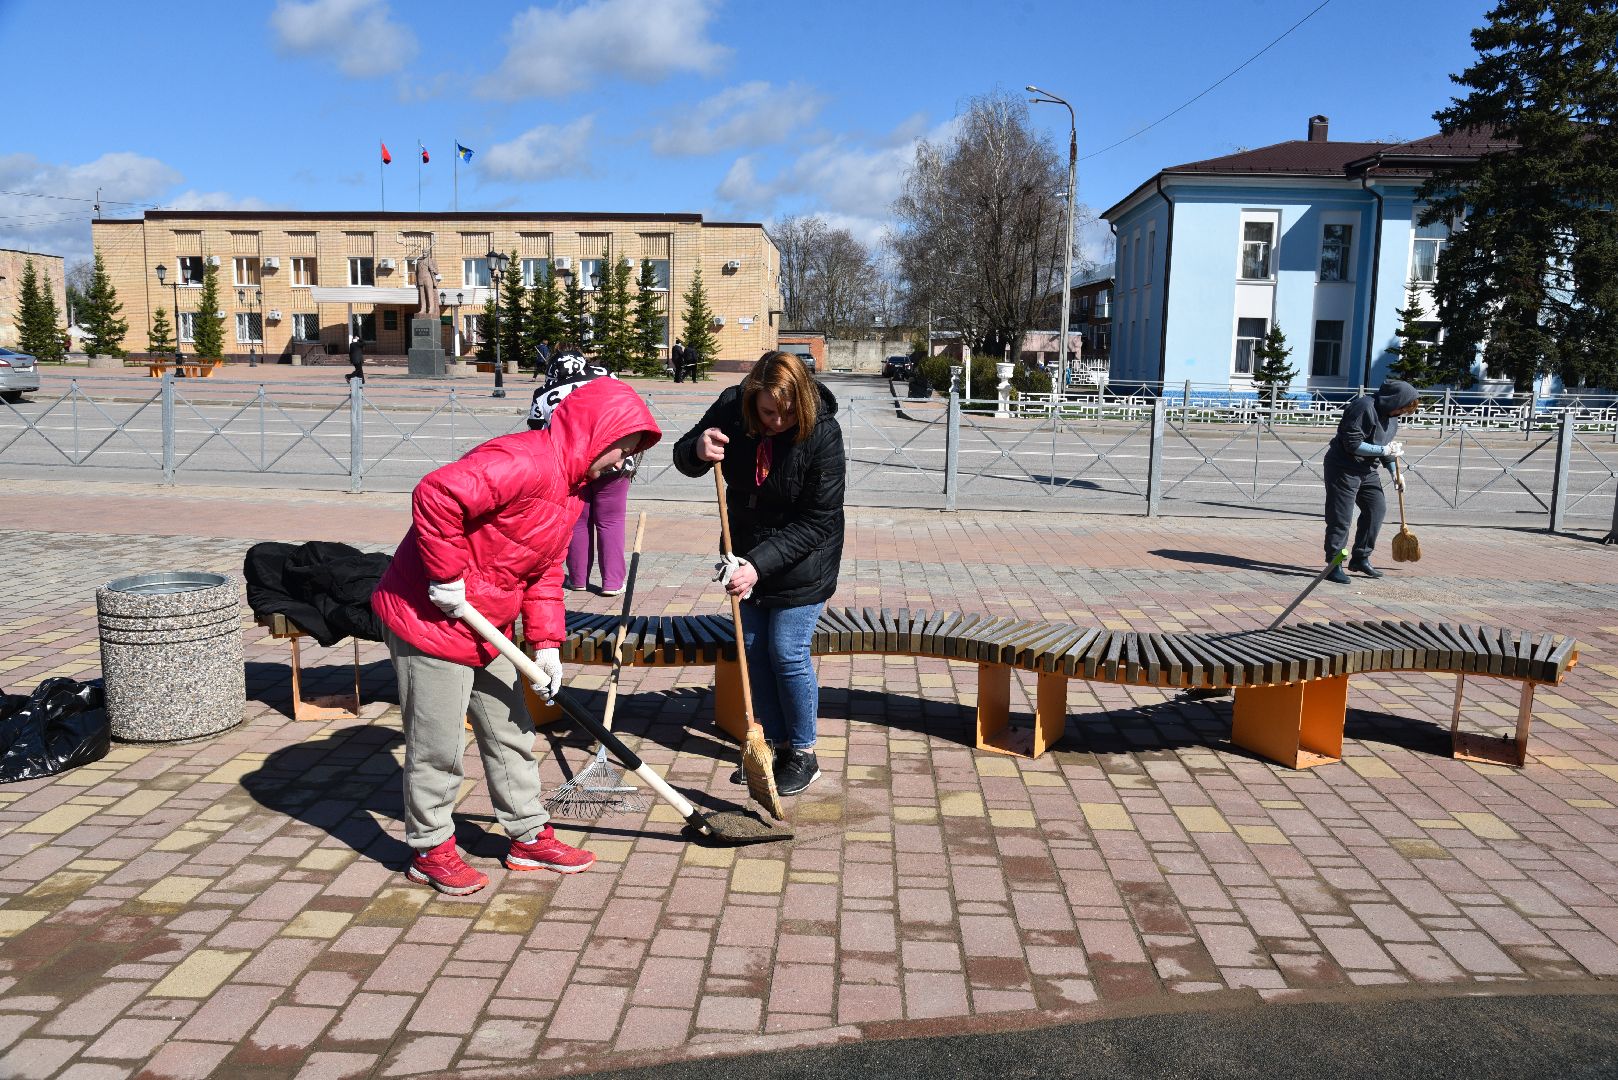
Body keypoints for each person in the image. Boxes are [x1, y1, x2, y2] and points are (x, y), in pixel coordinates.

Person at [372, 376, 661, 895]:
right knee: (438, 744)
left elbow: (545, 573)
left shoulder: (572, 493)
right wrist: (445, 576)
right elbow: (436, 494)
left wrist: (547, 645)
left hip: (489, 624)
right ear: (595, 433)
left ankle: (528, 835)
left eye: (632, 456)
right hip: (430, 617)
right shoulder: (524, 461)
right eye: (622, 449)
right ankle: (430, 848)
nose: (623, 464)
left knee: (512, 730)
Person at [672, 350, 845, 796]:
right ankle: (769, 745)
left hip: (804, 559)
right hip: (745, 547)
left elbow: (818, 521)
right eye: (768, 412)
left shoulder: (823, 433)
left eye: (787, 413)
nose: (776, 422)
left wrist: (759, 566)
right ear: (753, 400)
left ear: (802, 402)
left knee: (786, 651)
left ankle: (803, 753)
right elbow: (685, 453)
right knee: (752, 648)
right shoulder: (734, 404)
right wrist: (697, 447)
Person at [529, 347, 637, 595]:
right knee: (611, 520)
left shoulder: (543, 393)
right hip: (615, 459)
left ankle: (577, 579)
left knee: (578, 521)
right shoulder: (604, 377)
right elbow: (627, 406)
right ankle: (612, 582)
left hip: (572, 466)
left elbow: (536, 432)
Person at [1323, 379, 1420, 584]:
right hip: (1343, 468)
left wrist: (1395, 472)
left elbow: (1385, 448)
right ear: (1394, 401)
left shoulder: (1391, 416)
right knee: (1341, 518)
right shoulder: (1363, 407)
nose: (1401, 414)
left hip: (1368, 470)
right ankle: (1334, 564)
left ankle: (1361, 557)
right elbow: (1352, 444)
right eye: (1402, 409)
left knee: (1376, 509)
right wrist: (1383, 450)